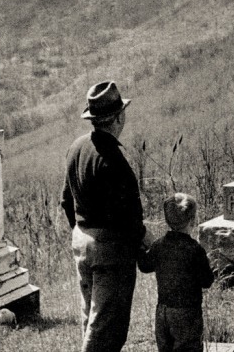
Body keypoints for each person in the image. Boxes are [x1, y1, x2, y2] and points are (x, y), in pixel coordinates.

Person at [61, 81, 150, 352]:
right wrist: (147, 242)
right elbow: (129, 220)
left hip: (82, 242)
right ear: (119, 117)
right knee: (106, 332)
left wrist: (81, 235)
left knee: (91, 319)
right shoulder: (113, 161)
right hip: (109, 251)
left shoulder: (77, 148)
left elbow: (66, 201)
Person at [139, 193, 215, 352]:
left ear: (167, 220)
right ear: (192, 220)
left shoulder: (159, 245)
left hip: (163, 311)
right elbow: (207, 281)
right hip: (187, 312)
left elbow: (145, 266)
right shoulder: (195, 249)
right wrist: (209, 264)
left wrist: (140, 248)